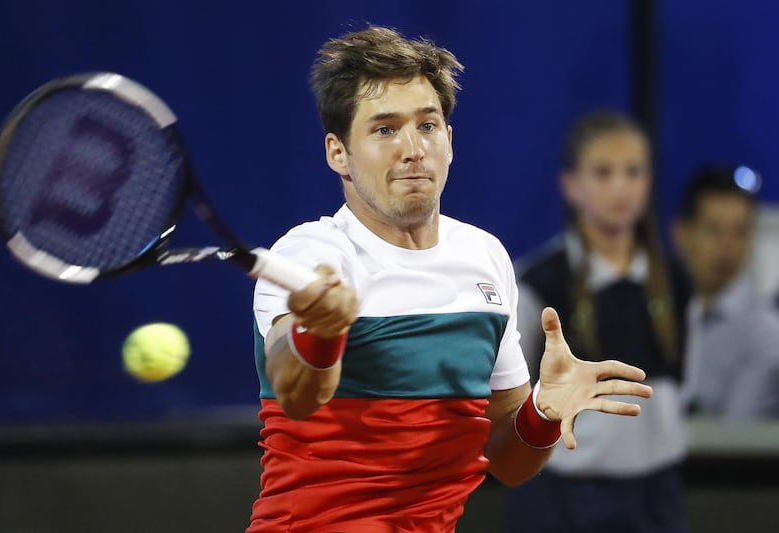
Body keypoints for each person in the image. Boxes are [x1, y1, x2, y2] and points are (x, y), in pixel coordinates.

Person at [249, 27, 652, 533]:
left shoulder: (484, 257)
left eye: (428, 125)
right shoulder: (312, 254)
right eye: (384, 129)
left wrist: (543, 414)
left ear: (450, 140)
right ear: (337, 153)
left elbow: (508, 462)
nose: (413, 148)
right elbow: (296, 392)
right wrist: (320, 333)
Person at [505, 110, 689, 533]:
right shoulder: (539, 282)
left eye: (634, 172)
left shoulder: (676, 281)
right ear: (571, 184)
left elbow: (684, 379)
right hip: (561, 494)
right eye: (603, 173)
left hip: (656, 494)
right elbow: (509, 394)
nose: (620, 187)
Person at [674, 165, 779, 418]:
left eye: (740, 232)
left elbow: (734, 433)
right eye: (714, 230)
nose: (727, 246)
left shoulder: (765, 332)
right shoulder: (658, 315)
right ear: (681, 235)